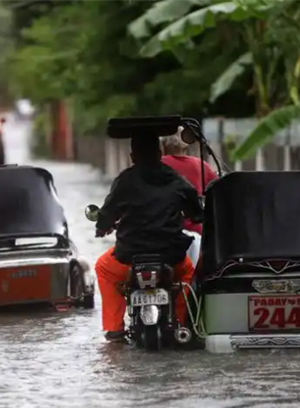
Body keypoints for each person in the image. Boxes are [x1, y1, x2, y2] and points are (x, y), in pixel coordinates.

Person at [94, 133, 204, 342]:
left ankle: (114, 329)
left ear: (132, 156)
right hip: (171, 255)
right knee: (188, 273)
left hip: (129, 256)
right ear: (159, 154)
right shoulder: (176, 179)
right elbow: (196, 211)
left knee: (103, 268)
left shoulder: (124, 180)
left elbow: (107, 213)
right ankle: (181, 322)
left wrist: (102, 228)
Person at [160, 126, 219, 266]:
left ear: (163, 145)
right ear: (185, 143)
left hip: (160, 232)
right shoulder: (200, 165)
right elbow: (219, 189)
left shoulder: (155, 165)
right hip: (196, 233)